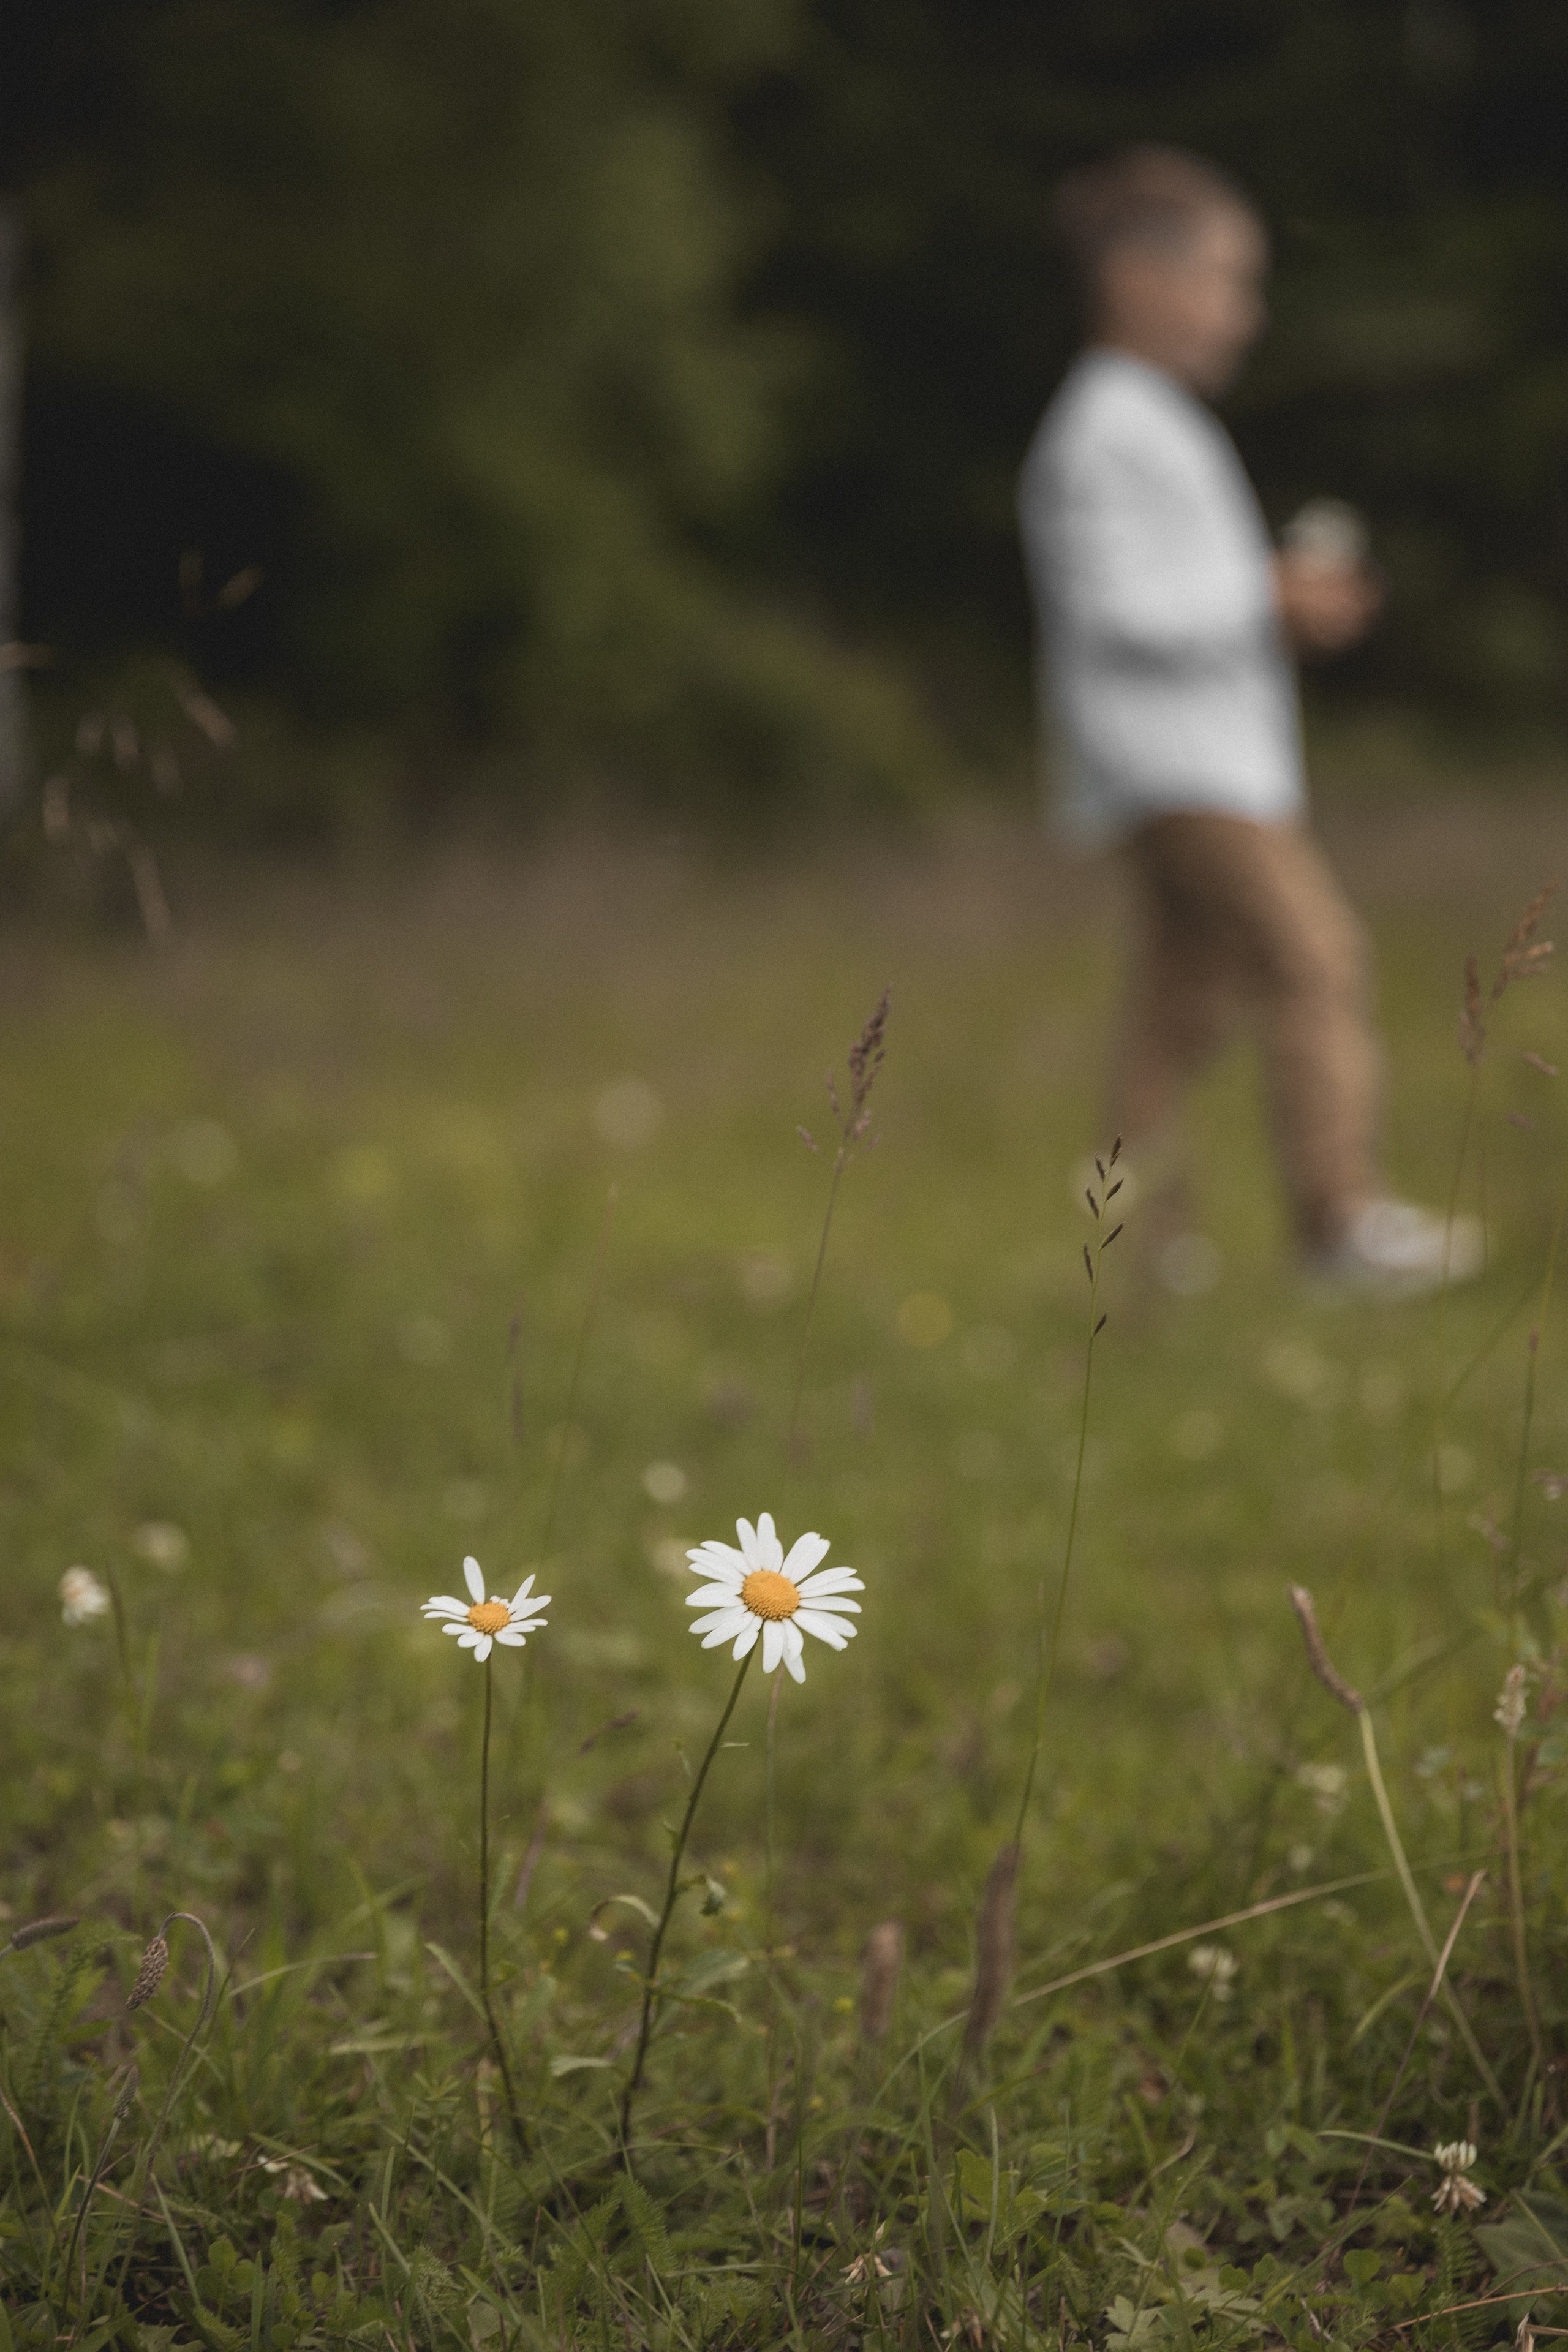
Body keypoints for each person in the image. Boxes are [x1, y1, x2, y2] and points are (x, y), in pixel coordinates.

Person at [1017, 145, 1481, 1295]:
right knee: (1317, 956)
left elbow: (1183, 600)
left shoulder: (1157, 424)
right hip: (1178, 773)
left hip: (1205, 766)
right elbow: (1119, 610)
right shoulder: (1102, 433)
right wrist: (1268, 594)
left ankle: (1128, 1247)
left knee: (1179, 1009)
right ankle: (1339, 1223)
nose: (1246, 310)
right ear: (1138, 278)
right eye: (1228, 279)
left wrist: (1274, 601)